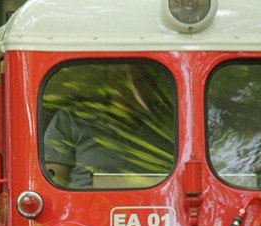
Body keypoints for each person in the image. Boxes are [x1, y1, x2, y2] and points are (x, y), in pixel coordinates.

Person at [42, 63, 176, 189]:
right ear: (109, 81)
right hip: (83, 209)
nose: (129, 88)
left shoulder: (171, 126)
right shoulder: (71, 120)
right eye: (119, 80)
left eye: (139, 81)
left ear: (152, 85)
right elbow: (52, 183)